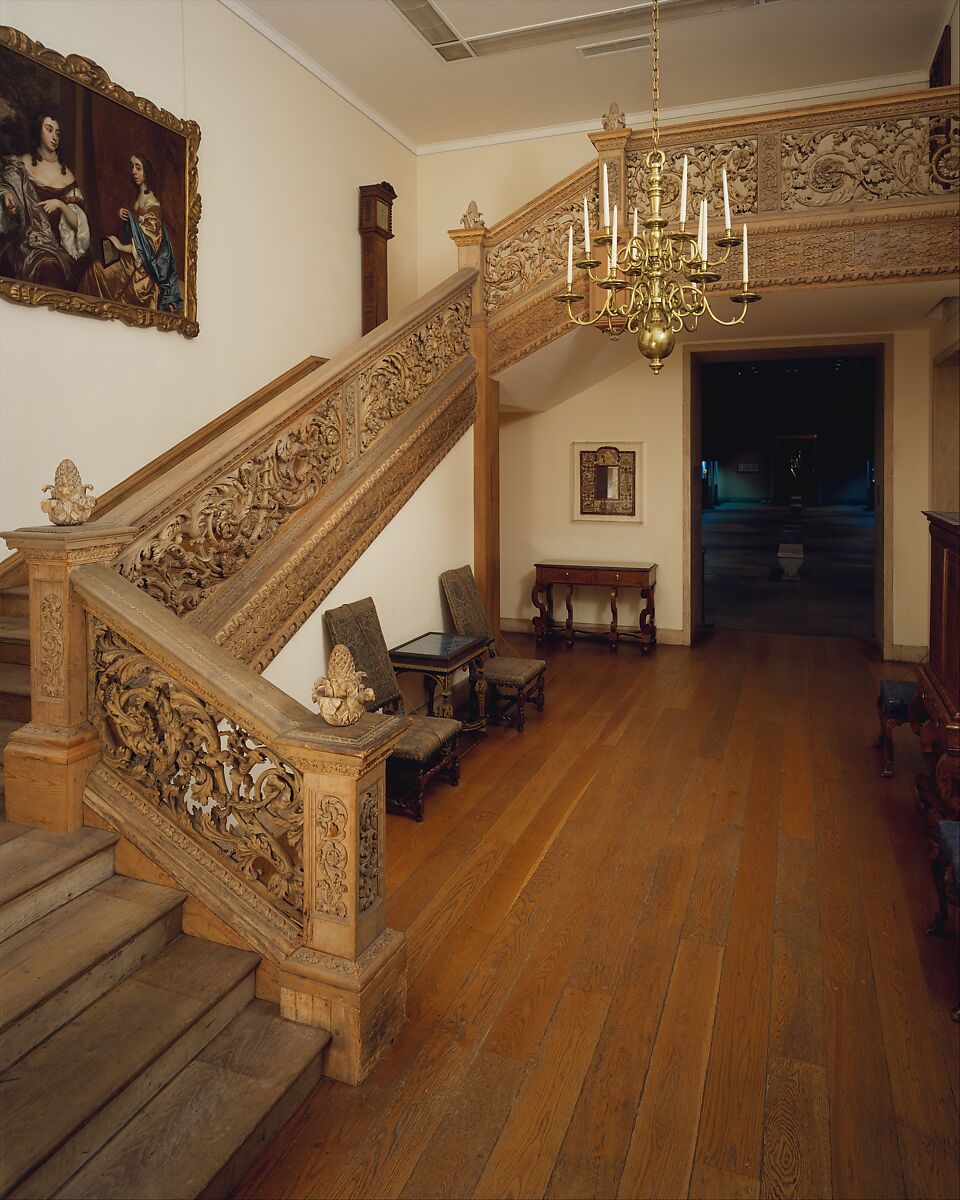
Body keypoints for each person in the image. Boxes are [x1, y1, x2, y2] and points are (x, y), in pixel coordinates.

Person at [79, 151, 182, 311]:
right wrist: (128, 216)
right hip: (132, 258)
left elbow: (148, 246)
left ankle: (87, 309)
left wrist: (119, 246)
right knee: (97, 266)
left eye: (138, 168)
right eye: (132, 166)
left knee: (97, 270)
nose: (133, 171)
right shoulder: (140, 194)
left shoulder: (152, 204)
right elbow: (138, 227)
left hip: (142, 268)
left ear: (146, 171)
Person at [0, 112, 90, 288]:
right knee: (44, 266)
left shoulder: (67, 174)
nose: (54, 137)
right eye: (49, 130)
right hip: (30, 242)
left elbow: (78, 224)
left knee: (56, 270)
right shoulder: (22, 164)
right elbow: (6, 186)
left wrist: (60, 204)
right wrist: (6, 196)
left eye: (57, 132)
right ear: (38, 131)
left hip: (61, 247)